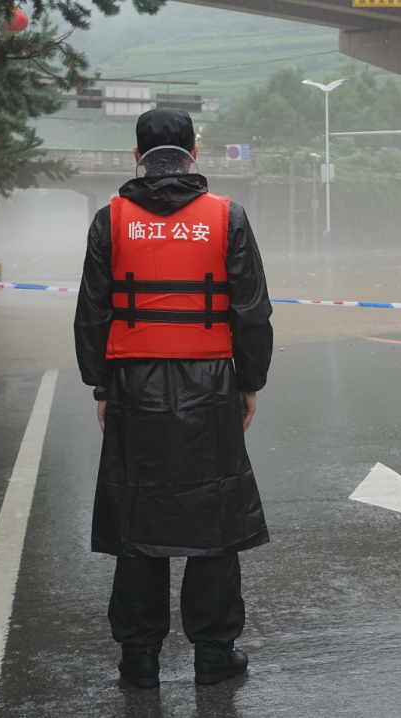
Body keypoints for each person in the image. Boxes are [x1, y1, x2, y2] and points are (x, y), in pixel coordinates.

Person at [74, 107, 273, 689]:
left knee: (138, 517)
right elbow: (251, 310)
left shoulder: (110, 219)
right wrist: (249, 382)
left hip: (134, 383)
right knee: (212, 517)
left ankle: (138, 659)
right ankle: (214, 655)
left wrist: (102, 385)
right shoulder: (225, 216)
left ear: (136, 155)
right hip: (210, 380)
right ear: (195, 150)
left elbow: (93, 311)